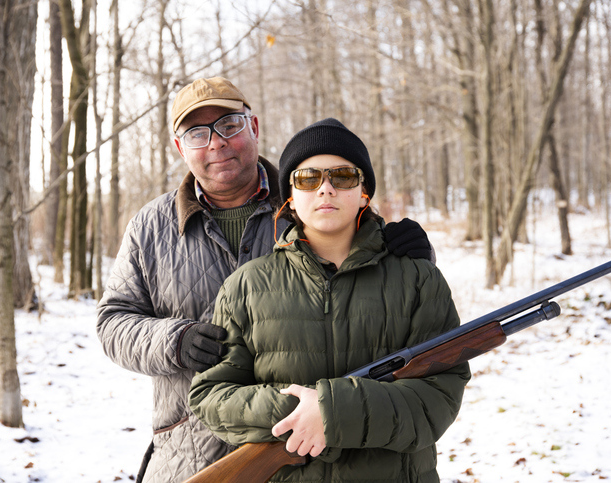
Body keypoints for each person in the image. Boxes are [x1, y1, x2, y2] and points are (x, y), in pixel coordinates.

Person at [97, 77, 435, 483]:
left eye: (229, 125)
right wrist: (174, 341)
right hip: (190, 451)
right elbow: (112, 321)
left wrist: (416, 252)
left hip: (307, 451)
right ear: (179, 146)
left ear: (253, 127)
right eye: (196, 133)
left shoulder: (308, 196)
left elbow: (379, 282)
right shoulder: (150, 227)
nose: (216, 142)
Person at [189, 118, 470, 482]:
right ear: (290, 195)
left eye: (343, 177)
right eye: (308, 178)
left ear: (364, 192)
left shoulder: (417, 278)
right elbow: (213, 397)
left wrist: (332, 414)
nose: (326, 189)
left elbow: (438, 397)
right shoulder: (246, 286)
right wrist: (299, 411)